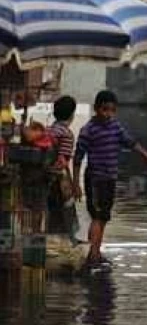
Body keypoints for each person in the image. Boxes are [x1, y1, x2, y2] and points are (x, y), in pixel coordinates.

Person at [73, 90, 147, 266]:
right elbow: (77, 158)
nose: (108, 114)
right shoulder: (88, 130)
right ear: (97, 109)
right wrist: (76, 183)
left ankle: (94, 251)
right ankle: (94, 255)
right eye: (105, 109)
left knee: (102, 217)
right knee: (98, 216)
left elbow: (131, 143)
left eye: (112, 110)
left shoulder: (115, 126)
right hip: (96, 178)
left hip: (110, 178)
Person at [48, 95, 83, 244]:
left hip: (46, 176)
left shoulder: (49, 129)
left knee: (52, 211)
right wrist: (73, 184)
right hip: (58, 178)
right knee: (67, 209)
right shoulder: (67, 134)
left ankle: (53, 239)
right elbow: (63, 160)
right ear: (71, 115)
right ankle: (69, 240)